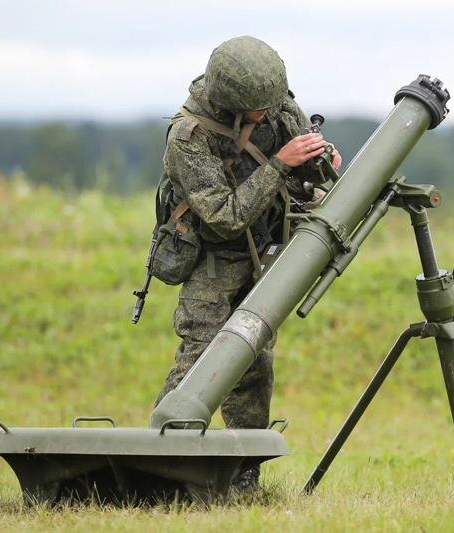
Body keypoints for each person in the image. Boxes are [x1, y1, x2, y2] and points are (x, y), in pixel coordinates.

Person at [154, 35, 341, 493]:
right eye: (260, 110)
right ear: (233, 104)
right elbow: (225, 216)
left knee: (255, 361)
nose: (271, 114)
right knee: (200, 360)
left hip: (266, 250)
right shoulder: (189, 137)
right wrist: (280, 163)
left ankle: (242, 478)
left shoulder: (274, 101)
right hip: (211, 257)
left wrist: (321, 161)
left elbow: (304, 159)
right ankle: (158, 468)